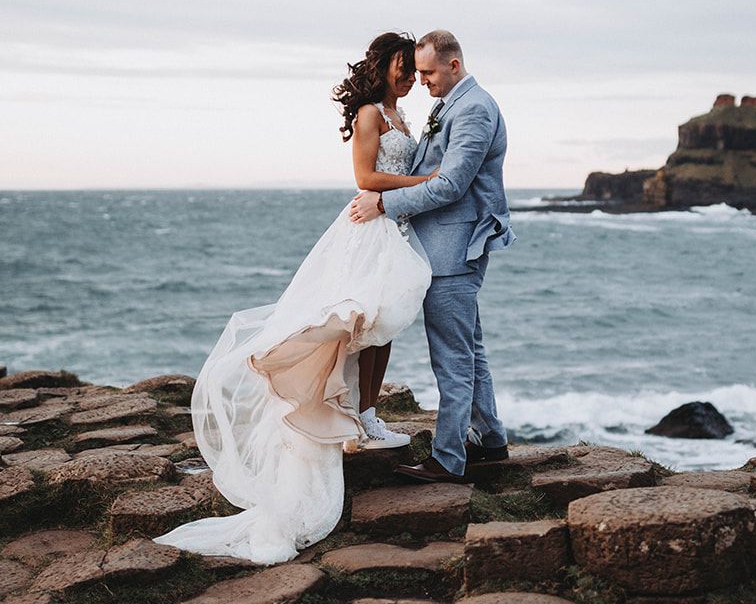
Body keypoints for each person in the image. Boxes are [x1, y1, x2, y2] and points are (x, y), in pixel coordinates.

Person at [154, 32, 435, 564]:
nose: (407, 76)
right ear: (383, 67)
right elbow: (364, 176)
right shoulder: (370, 115)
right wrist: (426, 180)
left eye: (411, 68)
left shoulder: (400, 116)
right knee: (358, 323)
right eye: (402, 66)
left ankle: (368, 413)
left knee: (385, 323)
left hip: (392, 229)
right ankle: (349, 414)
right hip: (366, 231)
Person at [349, 29, 513, 481]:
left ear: (454, 65)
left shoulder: (475, 109)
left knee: (452, 357)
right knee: (469, 349)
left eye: (428, 72)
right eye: (416, 72)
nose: (421, 81)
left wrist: (385, 203)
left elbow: (451, 184)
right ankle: (491, 440)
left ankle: (448, 459)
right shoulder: (451, 105)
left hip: (452, 249)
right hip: (442, 245)